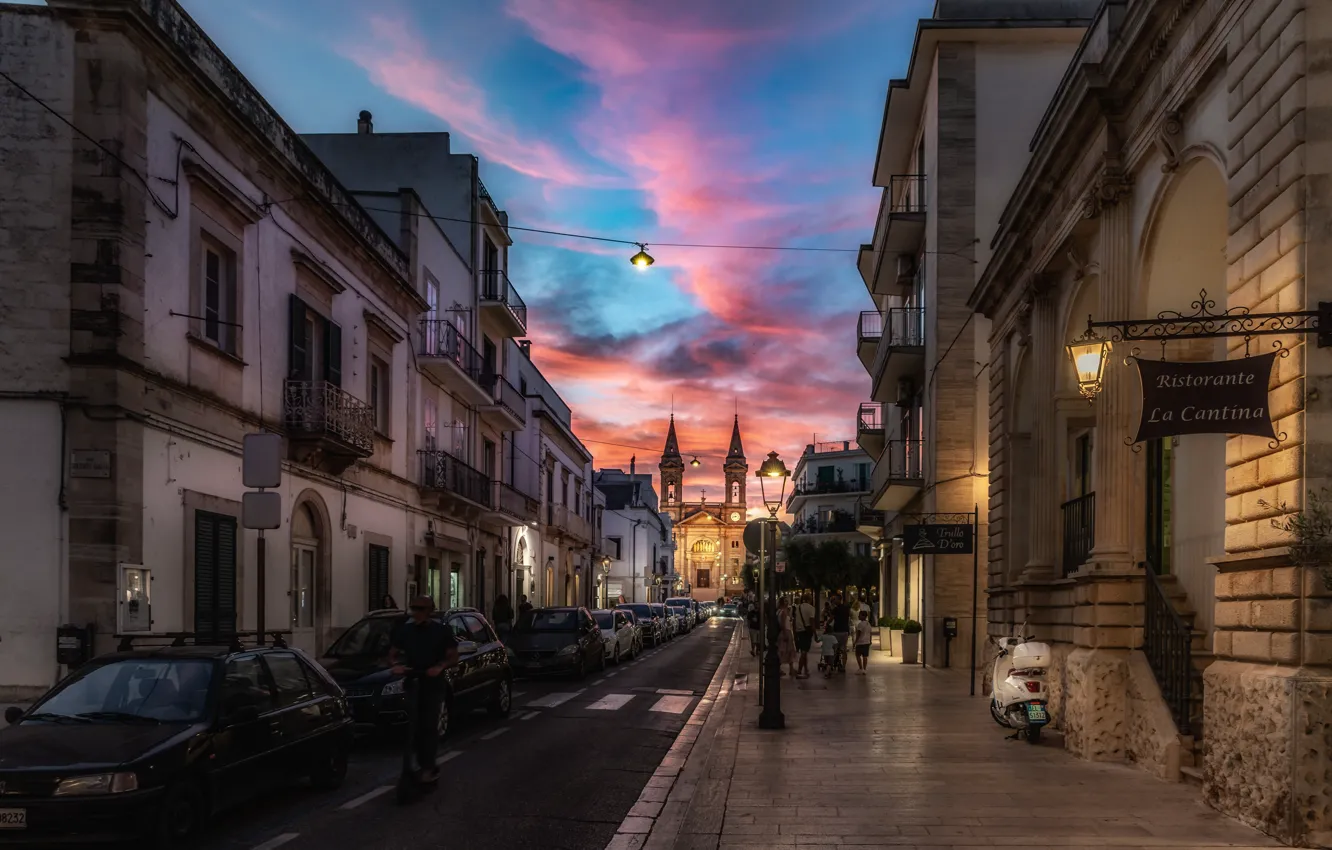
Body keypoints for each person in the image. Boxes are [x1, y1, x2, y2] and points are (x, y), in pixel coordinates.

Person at [389, 596, 459, 783]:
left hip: (433, 683)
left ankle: (428, 767)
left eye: (421, 609)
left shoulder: (441, 631)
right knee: (413, 726)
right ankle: (411, 766)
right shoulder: (406, 631)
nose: (417, 612)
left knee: (429, 725)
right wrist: (396, 665)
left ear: (430, 611)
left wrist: (440, 667)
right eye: (414, 608)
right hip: (413, 680)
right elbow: (393, 653)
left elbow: (453, 657)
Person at [793, 592, 816, 679]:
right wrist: (815, 634)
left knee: (804, 650)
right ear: (810, 599)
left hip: (799, 631)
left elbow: (794, 621)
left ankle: (806, 669)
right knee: (804, 652)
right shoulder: (811, 608)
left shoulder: (797, 607)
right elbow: (812, 622)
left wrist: (794, 633)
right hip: (807, 632)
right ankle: (799, 670)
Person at [829, 592, 851, 672]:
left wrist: (827, 624)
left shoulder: (835, 609)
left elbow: (831, 619)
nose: (834, 601)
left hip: (837, 631)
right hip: (845, 631)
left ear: (839, 599)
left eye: (835, 599)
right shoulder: (846, 608)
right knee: (844, 649)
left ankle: (831, 665)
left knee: (834, 649)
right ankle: (843, 666)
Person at [776, 597, 797, 678]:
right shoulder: (783, 612)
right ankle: (787, 669)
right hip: (786, 632)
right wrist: (785, 633)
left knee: (787, 651)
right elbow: (783, 624)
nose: (787, 602)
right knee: (786, 651)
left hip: (785, 631)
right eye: (785, 601)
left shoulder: (779, 611)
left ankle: (791, 669)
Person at [854, 610, 873, 674]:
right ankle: (864, 669)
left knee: (857, 655)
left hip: (860, 642)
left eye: (860, 615)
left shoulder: (860, 624)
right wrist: (870, 641)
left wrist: (855, 642)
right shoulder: (869, 624)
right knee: (865, 656)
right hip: (867, 642)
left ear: (863, 616)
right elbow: (870, 633)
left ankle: (860, 668)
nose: (858, 616)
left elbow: (858, 634)